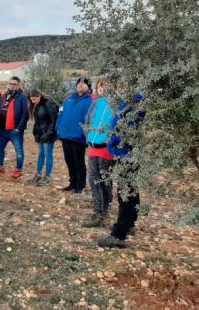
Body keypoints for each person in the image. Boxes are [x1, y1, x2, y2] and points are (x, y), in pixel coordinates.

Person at [98, 92, 145, 248]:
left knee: (124, 192)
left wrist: (117, 145)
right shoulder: (126, 101)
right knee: (131, 189)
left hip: (128, 152)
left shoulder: (136, 103)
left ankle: (119, 234)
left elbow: (128, 130)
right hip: (124, 152)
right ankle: (130, 223)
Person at [82, 80, 115, 227]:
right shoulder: (95, 103)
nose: (102, 89)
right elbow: (87, 120)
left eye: (105, 86)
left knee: (104, 181)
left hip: (106, 149)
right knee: (93, 180)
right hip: (92, 147)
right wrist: (88, 137)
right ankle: (98, 212)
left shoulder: (116, 105)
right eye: (100, 86)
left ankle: (105, 209)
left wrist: (111, 142)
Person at [56, 77, 93, 194]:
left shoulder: (90, 100)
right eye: (79, 83)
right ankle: (72, 183)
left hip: (78, 136)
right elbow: (61, 113)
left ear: (89, 87)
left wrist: (86, 134)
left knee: (79, 162)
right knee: (69, 161)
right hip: (65, 134)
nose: (80, 85)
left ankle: (80, 186)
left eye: (83, 83)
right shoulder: (69, 99)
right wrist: (58, 127)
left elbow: (90, 119)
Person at [0, 76, 29, 178]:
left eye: (14, 84)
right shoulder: (5, 95)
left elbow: (25, 114)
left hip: (15, 130)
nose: (12, 86)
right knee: (0, 149)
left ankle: (18, 169)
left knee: (19, 151)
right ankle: (0, 166)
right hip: (3, 129)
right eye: (10, 84)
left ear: (19, 85)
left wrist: (19, 128)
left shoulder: (22, 97)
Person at [28, 89, 58, 186]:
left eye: (34, 99)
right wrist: (35, 131)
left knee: (48, 154)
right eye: (31, 100)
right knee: (41, 154)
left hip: (48, 134)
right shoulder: (37, 105)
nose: (33, 102)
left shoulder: (48, 104)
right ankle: (38, 174)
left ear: (39, 96)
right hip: (40, 134)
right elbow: (38, 121)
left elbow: (54, 120)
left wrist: (49, 133)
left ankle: (47, 176)